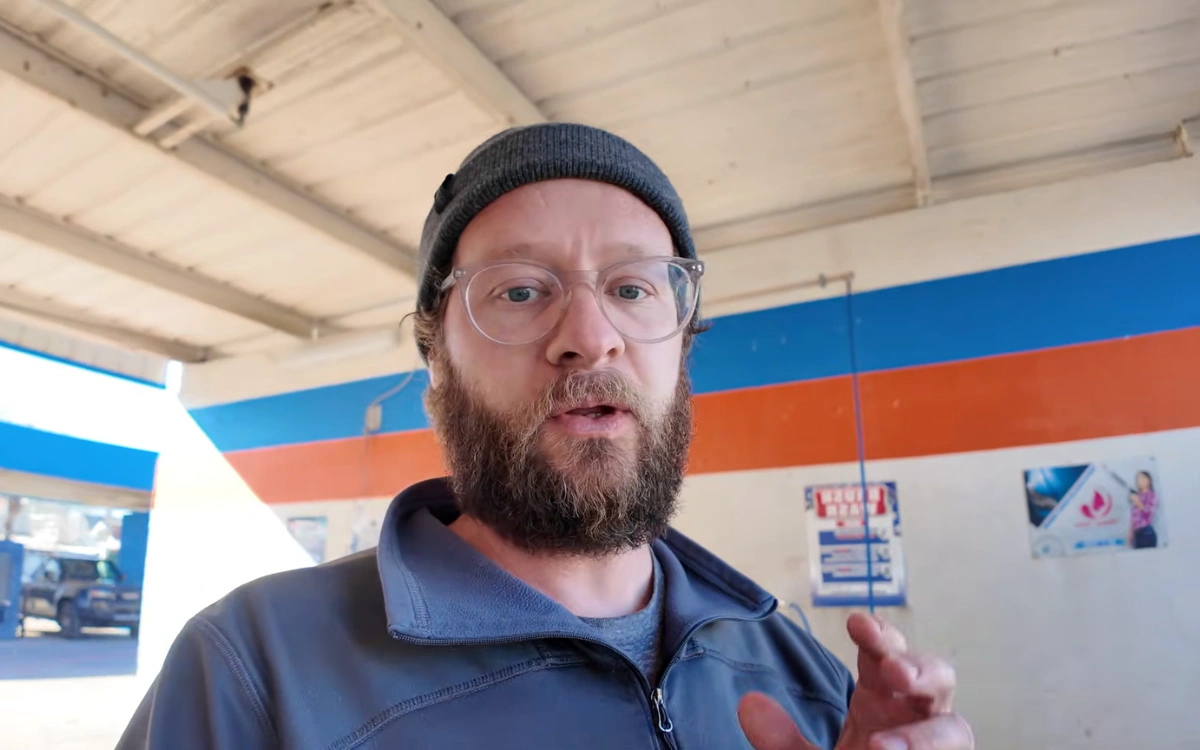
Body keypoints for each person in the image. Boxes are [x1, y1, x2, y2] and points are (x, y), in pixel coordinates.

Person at [118, 124, 972, 750]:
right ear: (436, 362)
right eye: (521, 291)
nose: (590, 337)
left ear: (682, 350)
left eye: (634, 289)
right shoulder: (254, 671)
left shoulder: (797, 669)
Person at [1129, 470, 1159, 549]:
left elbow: (1148, 513)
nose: (1139, 481)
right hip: (1137, 534)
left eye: (1142, 478)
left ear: (1148, 480)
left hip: (1146, 533)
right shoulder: (1137, 496)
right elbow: (1133, 517)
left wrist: (1137, 501)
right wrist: (1130, 534)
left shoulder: (1152, 495)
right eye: (1137, 479)